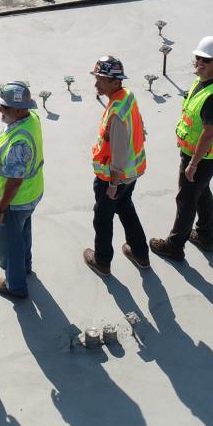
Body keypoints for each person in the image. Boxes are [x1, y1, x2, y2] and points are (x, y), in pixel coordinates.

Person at [150, 38, 213, 262]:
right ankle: (204, 235)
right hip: (201, 155)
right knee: (201, 192)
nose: (199, 63)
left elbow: (209, 133)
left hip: (203, 157)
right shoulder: (202, 84)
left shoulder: (212, 97)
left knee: (186, 199)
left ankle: (174, 246)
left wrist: (193, 164)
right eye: (198, 58)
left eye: (206, 60)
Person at [83, 56, 150, 275]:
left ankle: (102, 261)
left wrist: (113, 183)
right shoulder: (127, 97)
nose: (96, 84)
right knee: (126, 208)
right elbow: (139, 124)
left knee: (102, 218)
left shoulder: (117, 112)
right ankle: (140, 253)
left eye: (101, 80)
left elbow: (118, 151)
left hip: (114, 178)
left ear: (115, 82)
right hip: (132, 173)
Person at [0, 82, 45, 300]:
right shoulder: (31, 119)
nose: (0, 110)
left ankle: (15, 285)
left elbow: (14, 180)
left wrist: (0, 208)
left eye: (6, 107)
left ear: (20, 109)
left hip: (17, 199)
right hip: (31, 194)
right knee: (23, 232)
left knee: (10, 242)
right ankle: (25, 265)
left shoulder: (19, 142)